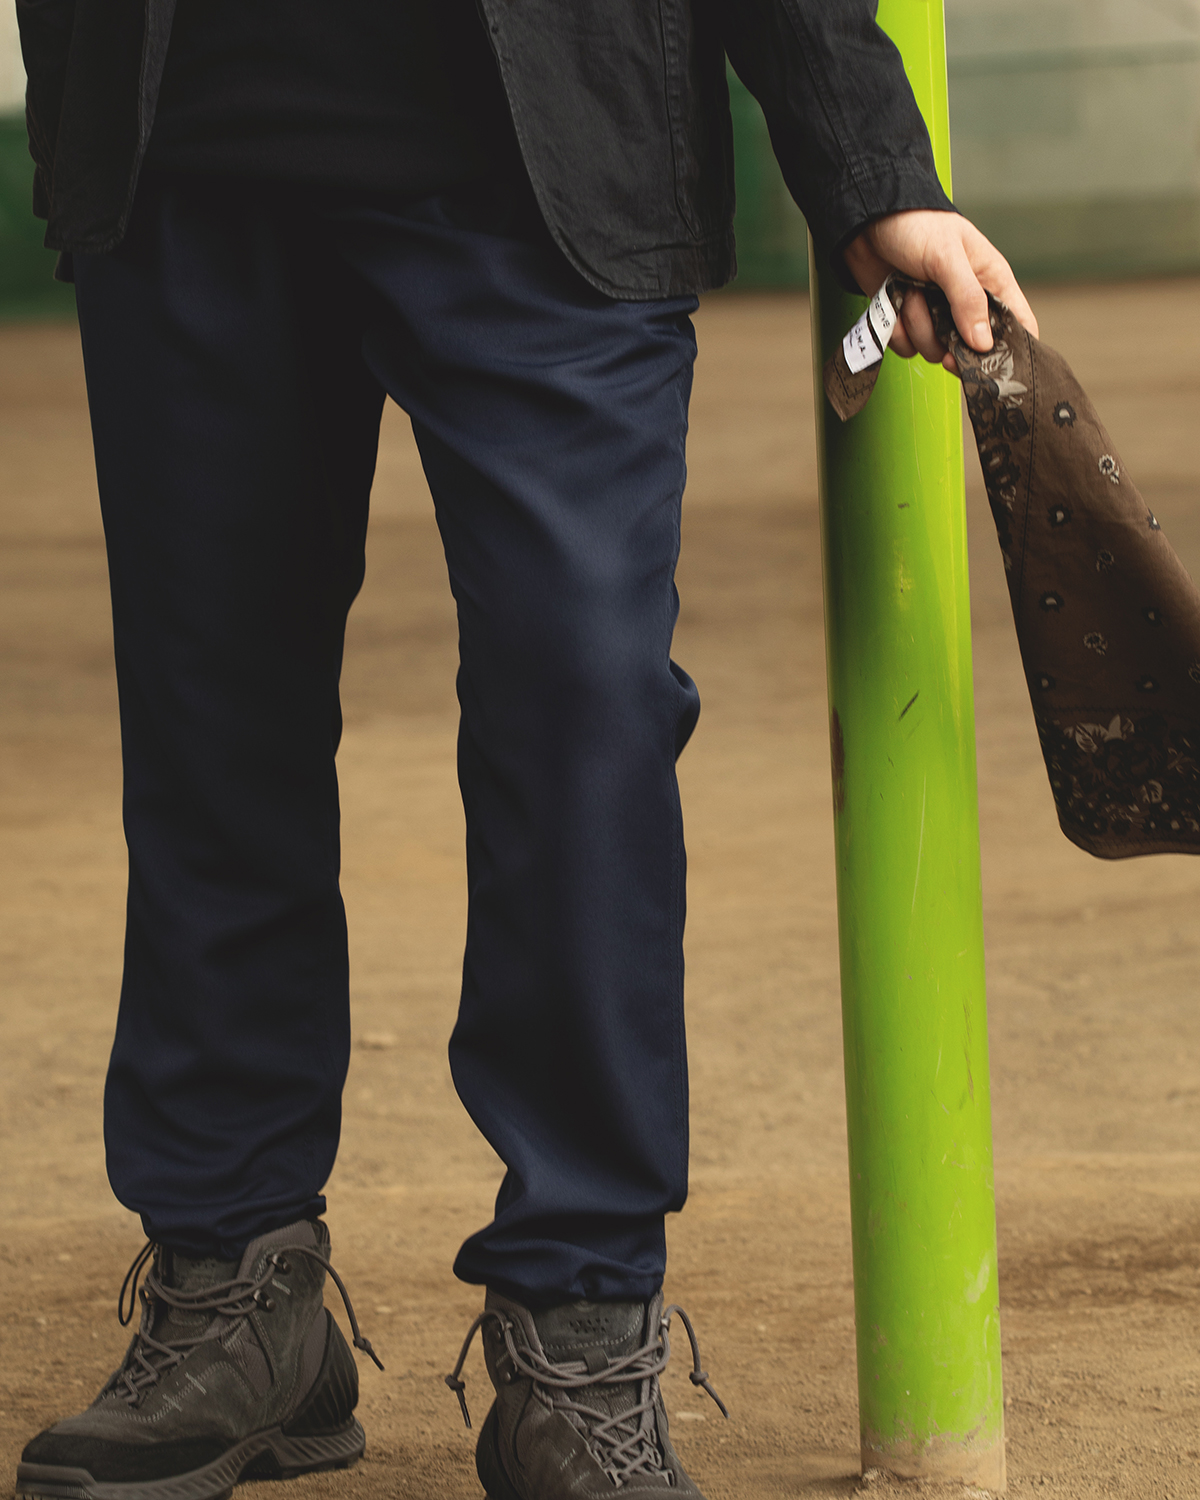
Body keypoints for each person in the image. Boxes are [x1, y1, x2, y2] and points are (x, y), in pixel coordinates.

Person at [13, 4, 1037, 1500]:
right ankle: (234, 1288)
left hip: (550, 167)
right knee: (212, 734)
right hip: (182, 144)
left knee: (586, 725)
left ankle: (580, 1320)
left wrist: (874, 164)